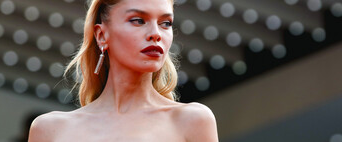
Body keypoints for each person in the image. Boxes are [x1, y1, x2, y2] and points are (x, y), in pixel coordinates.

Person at [28, 0, 218, 141]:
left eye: (165, 23)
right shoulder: (50, 130)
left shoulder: (193, 120)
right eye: (138, 20)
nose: (156, 34)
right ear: (102, 35)